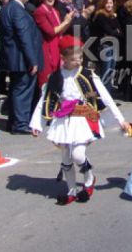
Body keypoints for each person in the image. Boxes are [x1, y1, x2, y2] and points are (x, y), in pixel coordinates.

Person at [30, 36, 126, 205]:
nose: (78, 61)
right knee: (66, 158)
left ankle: (89, 178)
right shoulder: (55, 77)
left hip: (83, 119)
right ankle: (71, 190)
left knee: (78, 155)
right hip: (63, 121)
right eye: (74, 59)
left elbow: (105, 96)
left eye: (80, 57)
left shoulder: (88, 75)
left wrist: (120, 119)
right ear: (63, 58)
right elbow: (45, 99)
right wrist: (36, 123)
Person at [0, 0, 44, 135]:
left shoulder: (7, 8)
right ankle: (20, 123)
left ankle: (14, 121)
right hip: (21, 58)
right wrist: (32, 60)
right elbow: (24, 36)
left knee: (16, 89)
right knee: (22, 90)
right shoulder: (17, 10)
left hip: (14, 57)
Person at [33, 0, 74, 86]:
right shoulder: (40, 12)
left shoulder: (55, 11)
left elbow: (59, 31)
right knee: (46, 80)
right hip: (46, 49)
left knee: (57, 78)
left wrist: (68, 21)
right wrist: (65, 22)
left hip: (56, 46)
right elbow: (51, 32)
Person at [90, 0, 122, 91]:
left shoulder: (112, 15)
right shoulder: (100, 15)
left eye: (111, 3)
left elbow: (120, 30)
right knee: (106, 71)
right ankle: (104, 96)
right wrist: (115, 32)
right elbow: (110, 31)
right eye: (107, 3)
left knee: (111, 71)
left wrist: (115, 30)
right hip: (105, 46)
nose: (109, 5)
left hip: (113, 45)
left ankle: (109, 94)